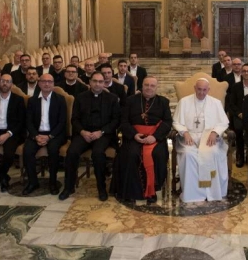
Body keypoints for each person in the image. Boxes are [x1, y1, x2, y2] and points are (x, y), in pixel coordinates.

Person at [61, 72, 121, 201]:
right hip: (84, 133)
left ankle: (101, 188)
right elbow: (74, 119)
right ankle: (69, 187)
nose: (97, 84)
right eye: (95, 81)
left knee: (98, 153)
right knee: (72, 152)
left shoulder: (112, 98)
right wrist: (82, 132)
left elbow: (116, 120)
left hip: (103, 134)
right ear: (90, 82)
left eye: (100, 81)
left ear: (104, 83)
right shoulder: (80, 97)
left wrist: (101, 132)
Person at [173, 78, 230, 202]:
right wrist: (185, 132)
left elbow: (224, 122)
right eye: (199, 89)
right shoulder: (184, 102)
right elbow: (176, 121)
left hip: (209, 137)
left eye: (204, 90)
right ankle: (192, 193)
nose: (201, 93)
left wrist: (215, 132)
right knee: (188, 154)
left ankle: (212, 192)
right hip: (189, 137)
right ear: (195, 88)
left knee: (212, 152)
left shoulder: (215, 103)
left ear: (208, 90)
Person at [117, 76, 173, 202]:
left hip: (155, 138)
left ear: (156, 87)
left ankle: (152, 191)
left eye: (152, 85)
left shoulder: (163, 102)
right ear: (141, 86)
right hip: (134, 136)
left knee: (158, 155)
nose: (149, 88)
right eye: (146, 85)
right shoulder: (130, 100)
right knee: (131, 154)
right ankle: (132, 191)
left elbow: (167, 122)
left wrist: (155, 137)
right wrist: (133, 135)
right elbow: (124, 121)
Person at [22, 74, 67, 195]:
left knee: (53, 150)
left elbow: (62, 122)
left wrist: (49, 136)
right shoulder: (32, 100)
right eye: (44, 81)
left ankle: (53, 182)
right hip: (37, 133)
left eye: (50, 82)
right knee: (27, 151)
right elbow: (29, 121)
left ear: (53, 84)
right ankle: (33, 182)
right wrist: (36, 136)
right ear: (39, 83)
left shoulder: (60, 99)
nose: (47, 84)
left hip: (54, 134)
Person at [226, 64, 248, 167]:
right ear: (241, 73)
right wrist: (239, 113)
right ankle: (240, 155)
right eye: (244, 71)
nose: (246, 73)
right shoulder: (236, 86)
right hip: (240, 115)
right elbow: (231, 104)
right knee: (238, 129)